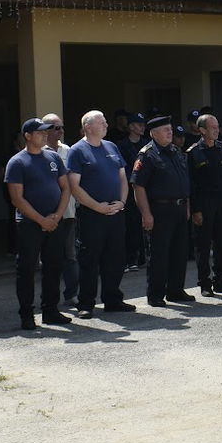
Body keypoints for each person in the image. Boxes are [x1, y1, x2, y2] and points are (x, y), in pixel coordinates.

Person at [66, 109, 135, 315]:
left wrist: (122, 202)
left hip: (115, 212)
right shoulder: (77, 150)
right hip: (92, 215)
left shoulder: (112, 146)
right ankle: (86, 304)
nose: (106, 125)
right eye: (101, 122)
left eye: (105, 121)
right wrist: (98, 207)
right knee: (90, 260)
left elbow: (122, 178)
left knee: (115, 258)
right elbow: (74, 186)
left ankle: (113, 300)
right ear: (88, 127)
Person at [5, 117, 72, 328]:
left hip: (54, 221)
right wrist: (41, 220)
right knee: (26, 269)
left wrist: (57, 216)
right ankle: (27, 314)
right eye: (40, 132)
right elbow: (17, 198)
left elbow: (66, 188)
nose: (45, 135)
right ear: (27, 136)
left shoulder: (53, 157)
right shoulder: (17, 162)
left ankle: (51, 310)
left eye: (46, 132)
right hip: (29, 224)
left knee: (54, 266)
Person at [130, 115, 194, 307]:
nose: (170, 132)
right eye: (165, 130)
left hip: (180, 208)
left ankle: (175, 290)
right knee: (159, 254)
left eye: (170, 129)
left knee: (179, 252)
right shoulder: (147, 155)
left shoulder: (176, 151)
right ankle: (156, 294)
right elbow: (138, 186)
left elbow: (184, 182)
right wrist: (146, 214)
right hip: (160, 210)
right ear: (154, 133)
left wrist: (187, 207)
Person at [187, 113, 222, 296]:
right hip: (203, 204)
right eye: (212, 128)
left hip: (221, 203)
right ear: (202, 130)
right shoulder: (193, 153)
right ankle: (205, 283)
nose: (217, 130)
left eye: (217, 127)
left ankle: (220, 279)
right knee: (203, 245)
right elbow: (191, 184)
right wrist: (195, 210)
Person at [41, 113, 80, 307]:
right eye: (56, 128)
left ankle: (71, 294)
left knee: (70, 256)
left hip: (69, 213)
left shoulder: (69, 151)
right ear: (46, 130)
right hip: (47, 214)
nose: (61, 131)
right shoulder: (38, 152)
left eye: (62, 127)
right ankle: (50, 298)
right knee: (50, 258)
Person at [117, 113, 148, 269]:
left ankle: (144, 256)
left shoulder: (147, 144)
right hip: (130, 189)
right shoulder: (122, 145)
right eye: (139, 125)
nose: (142, 127)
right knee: (132, 223)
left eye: (143, 125)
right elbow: (123, 168)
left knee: (146, 221)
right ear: (131, 127)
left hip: (147, 189)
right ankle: (131, 258)